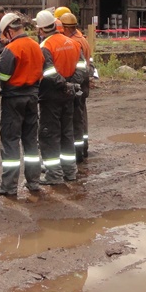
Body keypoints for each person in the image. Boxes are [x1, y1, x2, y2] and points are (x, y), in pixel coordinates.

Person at [0, 13, 44, 196]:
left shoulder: (11, 49)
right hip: (32, 97)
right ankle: (34, 181)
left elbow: (3, 76)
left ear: (9, 31)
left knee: (10, 141)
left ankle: (9, 186)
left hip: (13, 99)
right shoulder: (36, 46)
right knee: (30, 142)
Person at [36, 9, 87, 185]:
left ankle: (54, 175)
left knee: (49, 136)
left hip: (51, 96)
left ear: (41, 30)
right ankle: (70, 170)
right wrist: (72, 84)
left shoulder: (45, 47)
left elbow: (48, 72)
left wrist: (64, 84)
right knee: (67, 133)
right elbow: (83, 67)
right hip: (69, 96)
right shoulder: (72, 42)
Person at [60, 11, 93, 163]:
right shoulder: (81, 38)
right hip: (83, 82)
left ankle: (78, 151)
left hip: (78, 82)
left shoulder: (74, 42)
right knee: (81, 117)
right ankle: (83, 147)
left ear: (65, 27)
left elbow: (78, 66)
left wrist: (71, 84)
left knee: (76, 119)